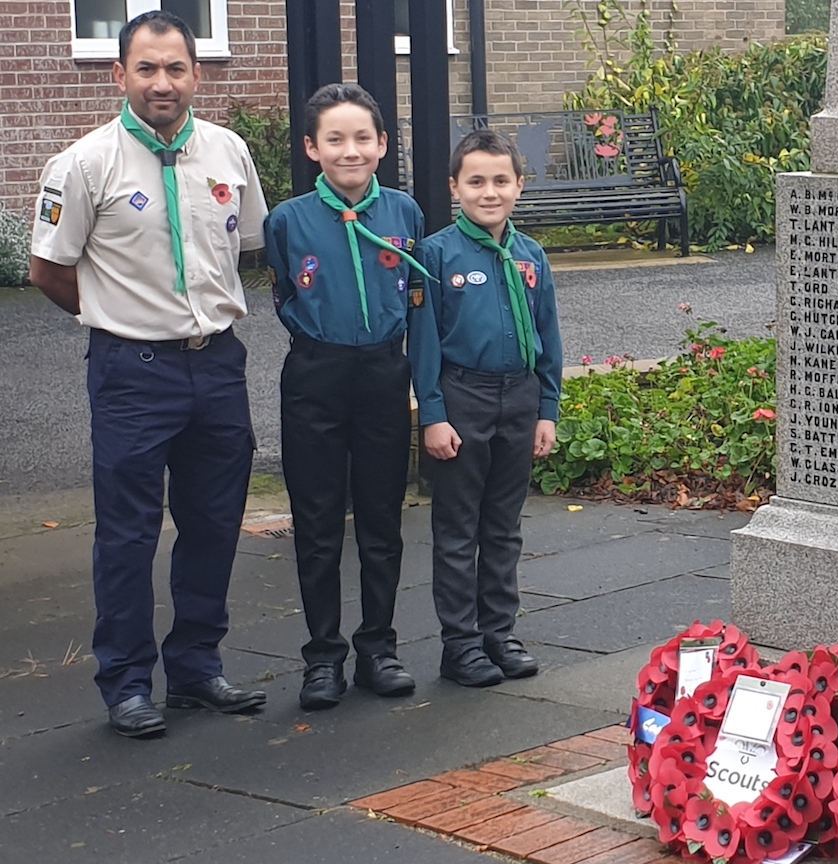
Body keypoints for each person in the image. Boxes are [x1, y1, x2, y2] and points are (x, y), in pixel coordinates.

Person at [27, 11, 270, 738]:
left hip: (218, 364)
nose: (162, 82)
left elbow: (249, 243)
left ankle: (196, 667)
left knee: (214, 521)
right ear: (119, 75)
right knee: (128, 533)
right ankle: (127, 682)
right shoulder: (83, 163)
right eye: (147, 68)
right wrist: (113, 314)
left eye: (175, 68)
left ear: (196, 74)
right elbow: (47, 269)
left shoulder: (228, 151)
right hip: (133, 371)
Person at [263, 83, 431, 710]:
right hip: (316, 377)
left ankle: (378, 648)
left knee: (382, 516)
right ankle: (322, 656)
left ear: (382, 145)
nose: (350, 150)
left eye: (363, 137)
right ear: (312, 148)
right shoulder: (288, 220)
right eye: (335, 139)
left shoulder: (405, 214)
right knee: (318, 520)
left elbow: (411, 294)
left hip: (384, 374)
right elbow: (285, 293)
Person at [407, 130, 562, 688]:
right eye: (476, 181)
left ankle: (500, 632)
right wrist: (432, 413)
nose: (489, 192)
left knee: (503, 526)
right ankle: (461, 643)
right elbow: (423, 341)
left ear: (519, 186)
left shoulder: (530, 255)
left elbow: (548, 335)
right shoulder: (436, 253)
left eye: (501, 180)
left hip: (517, 397)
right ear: (455, 188)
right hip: (463, 398)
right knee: (456, 529)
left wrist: (547, 407)